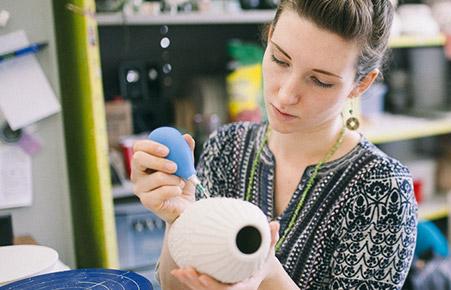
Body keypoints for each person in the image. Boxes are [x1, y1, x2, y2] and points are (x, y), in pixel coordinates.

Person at [130, 0, 417, 289]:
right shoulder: (227, 148)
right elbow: (175, 285)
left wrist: (268, 276)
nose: (287, 94)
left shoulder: (382, 189)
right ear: (269, 37)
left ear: (361, 84)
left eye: (319, 81)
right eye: (280, 60)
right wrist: (177, 219)